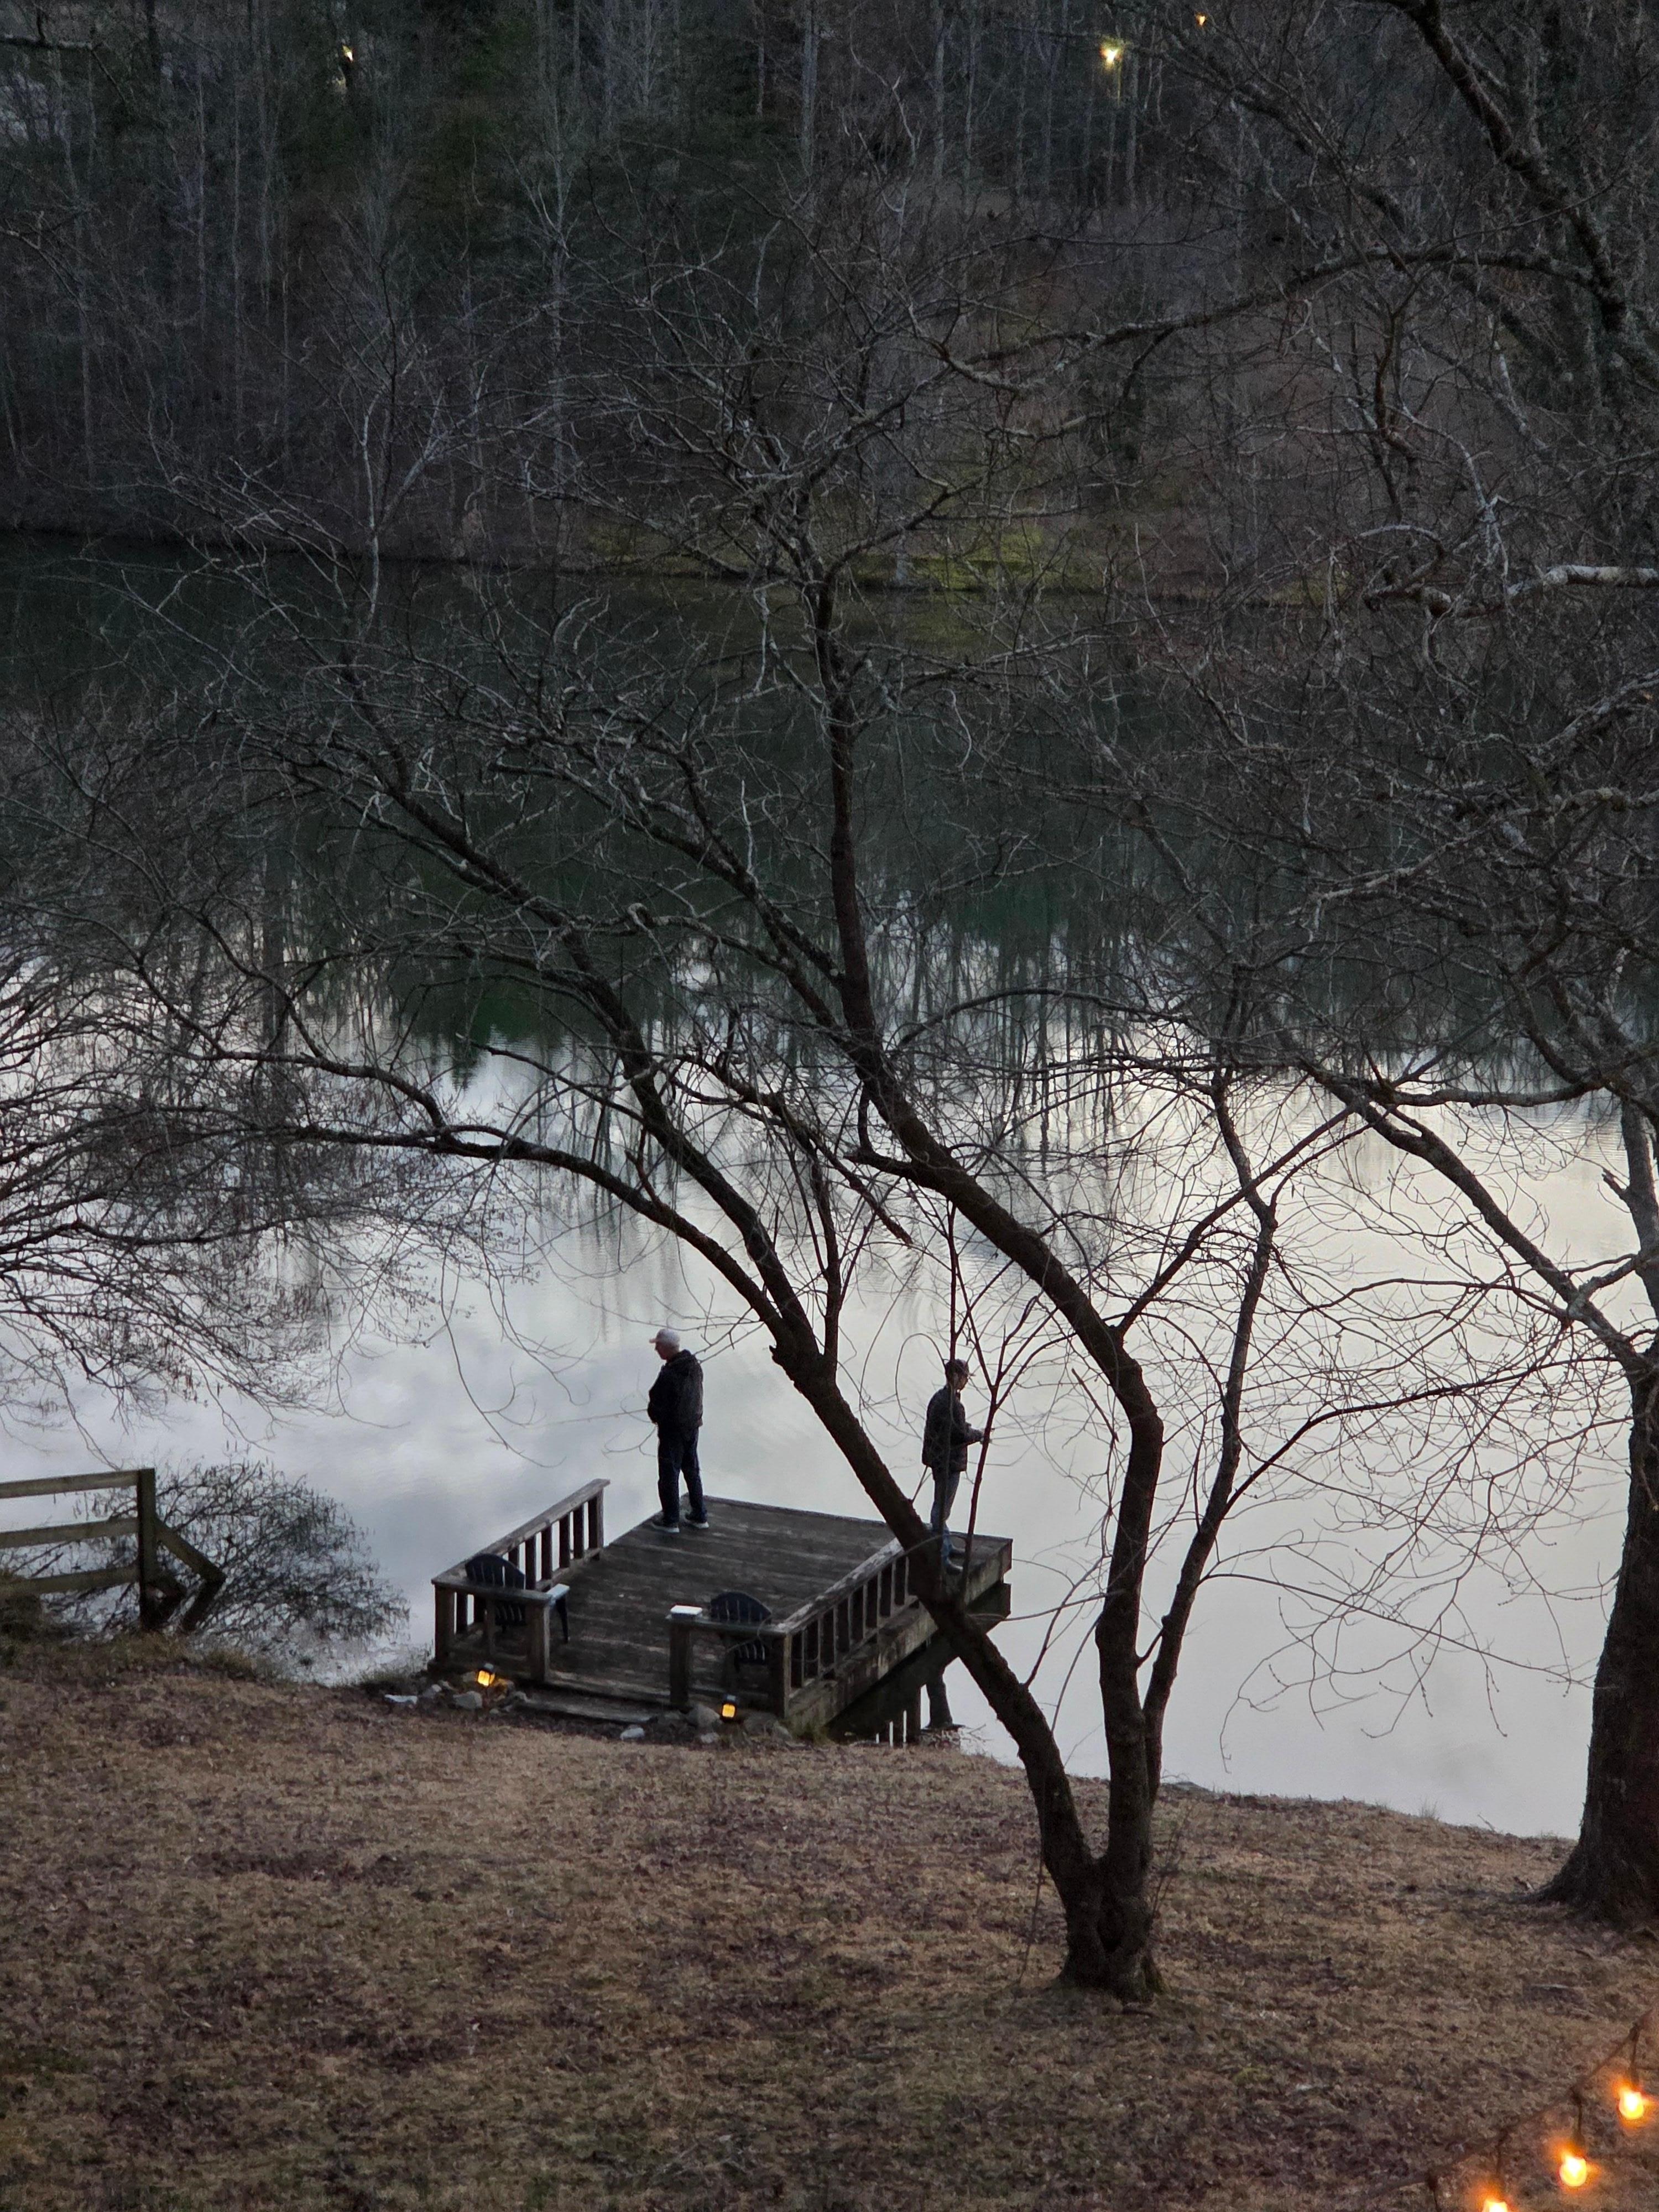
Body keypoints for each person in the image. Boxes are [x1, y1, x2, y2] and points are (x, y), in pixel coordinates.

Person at [921, 1357, 982, 1566]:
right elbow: (958, 1435)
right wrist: (978, 1434)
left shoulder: (941, 1398)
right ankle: (941, 1556)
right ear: (956, 1376)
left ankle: (945, 1545)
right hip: (948, 1463)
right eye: (965, 1376)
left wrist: (966, 1429)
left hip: (940, 1461)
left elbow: (950, 1428)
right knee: (941, 1510)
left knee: (942, 1507)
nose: (966, 1381)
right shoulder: (951, 1403)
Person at [647, 1327, 708, 1532]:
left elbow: (657, 1401)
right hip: (692, 1427)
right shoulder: (694, 1367)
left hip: (672, 1431)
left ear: (665, 1347)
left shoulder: (671, 1373)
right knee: (692, 1471)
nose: (656, 1350)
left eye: (658, 1346)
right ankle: (700, 1516)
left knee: (669, 1474)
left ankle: (671, 1520)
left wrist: (655, 1415)